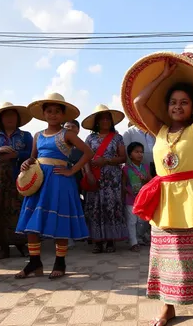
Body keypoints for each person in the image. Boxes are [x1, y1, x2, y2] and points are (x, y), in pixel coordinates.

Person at [123, 50, 193, 326]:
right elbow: (140, 101)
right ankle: (167, 307)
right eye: (173, 102)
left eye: (185, 102)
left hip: (191, 199)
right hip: (164, 201)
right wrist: (164, 76)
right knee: (163, 257)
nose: (178, 106)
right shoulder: (159, 130)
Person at [15, 93, 92, 279]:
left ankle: (60, 262)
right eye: (49, 111)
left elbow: (88, 152)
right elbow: (34, 157)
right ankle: (35, 262)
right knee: (32, 223)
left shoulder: (68, 134)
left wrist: (72, 171)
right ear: (43, 114)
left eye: (57, 111)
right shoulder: (37, 135)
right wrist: (26, 163)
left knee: (60, 222)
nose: (53, 114)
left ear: (63, 115)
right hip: (39, 182)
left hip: (60, 181)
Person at [0, 102, 33, 258]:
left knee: (18, 209)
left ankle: (21, 244)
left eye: (13, 115)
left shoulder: (26, 136)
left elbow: (32, 154)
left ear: (18, 118)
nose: (10, 118)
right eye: (6, 116)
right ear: (1, 119)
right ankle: (3, 247)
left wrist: (16, 155)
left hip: (19, 179)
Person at [82, 104, 128, 253]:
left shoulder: (117, 138)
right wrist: (88, 174)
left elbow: (123, 157)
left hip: (112, 179)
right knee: (95, 208)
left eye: (108, 119)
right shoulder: (90, 138)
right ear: (97, 122)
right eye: (102, 119)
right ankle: (96, 241)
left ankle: (110, 240)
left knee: (110, 207)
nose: (105, 122)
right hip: (94, 177)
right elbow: (85, 158)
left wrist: (106, 161)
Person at [122, 141, 152, 251]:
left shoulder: (145, 167)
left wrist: (146, 179)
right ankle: (133, 243)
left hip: (143, 199)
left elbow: (151, 180)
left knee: (143, 221)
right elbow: (123, 184)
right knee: (132, 221)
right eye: (136, 152)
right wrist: (125, 192)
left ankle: (139, 237)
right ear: (130, 154)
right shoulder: (126, 169)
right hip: (130, 199)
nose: (140, 154)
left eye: (141, 152)